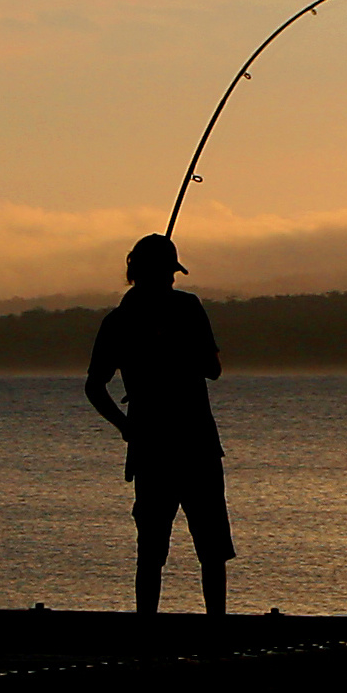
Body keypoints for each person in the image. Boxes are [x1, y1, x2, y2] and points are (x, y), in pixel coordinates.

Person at [85, 233, 235, 615]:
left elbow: (95, 386)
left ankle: (146, 630)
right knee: (210, 550)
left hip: (150, 447)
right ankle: (215, 628)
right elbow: (213, 370)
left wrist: (125, 427)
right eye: (169, 272)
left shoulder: (118, 320)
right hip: (195, 445)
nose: (172, 280)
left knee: (151, 551)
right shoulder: (188, 308)